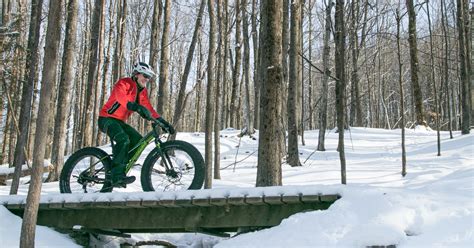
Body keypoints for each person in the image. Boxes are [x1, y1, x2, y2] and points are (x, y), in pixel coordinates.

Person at [98, 62, 175, 186]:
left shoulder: (142, 92)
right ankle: (116, 175)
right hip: (106, 118)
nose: (146, 79)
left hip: (120, 122)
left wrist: (162, 122)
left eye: (148, 77)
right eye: (145, 75)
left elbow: (148, 108)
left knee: (138, 142)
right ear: (136, 74)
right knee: (123, 139)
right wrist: (136, 107)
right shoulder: (124, 83)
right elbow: (120, 97)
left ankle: (118, 170)